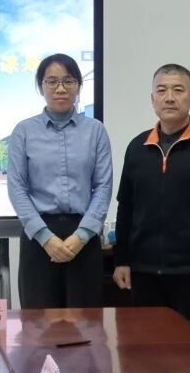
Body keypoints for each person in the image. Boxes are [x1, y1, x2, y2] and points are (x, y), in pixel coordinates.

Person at [112, 63, 190, 334]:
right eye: (162, 90)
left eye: (178, 90)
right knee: (146, 349)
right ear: (152, 99)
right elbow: (126, 207)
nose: (169, 97)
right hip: (144, 273)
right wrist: (121, 259)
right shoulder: (137, 148)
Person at [7, 53, 113, 308]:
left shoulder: (95, 130)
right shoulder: (24, 131)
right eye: (52, 81)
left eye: (68, 80)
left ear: (78, 85)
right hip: (38, 239)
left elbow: (103, 186)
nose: (61, 88)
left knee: (86, 323)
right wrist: (46, 238)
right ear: (41, 86)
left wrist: (82, 235)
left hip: (83, 237)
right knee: (38, 323)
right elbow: (17, 188)